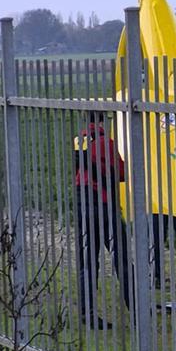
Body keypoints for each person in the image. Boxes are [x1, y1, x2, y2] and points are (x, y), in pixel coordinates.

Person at [73, 112, 130, 330]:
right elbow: (120, 172)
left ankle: (87, 313)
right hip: (104, 205)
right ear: (101, 121)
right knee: (122, 258)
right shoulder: (106, 142)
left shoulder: (80, 141)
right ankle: (135, 306)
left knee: (87, 262)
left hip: (82, 205)